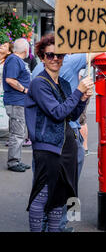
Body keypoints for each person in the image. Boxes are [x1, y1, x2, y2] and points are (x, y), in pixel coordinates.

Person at [25, 34, 94, 232]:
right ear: (41, 57)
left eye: (60, 55)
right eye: (50, 55)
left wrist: (81, 100)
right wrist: (78, 91)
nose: (55, 59)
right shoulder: (39, 83)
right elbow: (57, 113)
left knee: (60, 196)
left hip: (67, 147)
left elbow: (70, 115)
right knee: (42, 196)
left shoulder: (63, 84)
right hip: (48, 149)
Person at [3, 38, 31, 172]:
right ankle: (13, 162)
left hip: (18, 102)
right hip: (16, 102)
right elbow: (10, 79)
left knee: (18, 132)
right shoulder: (14, 60)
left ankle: (16, 160)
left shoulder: (14, 60)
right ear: (26, 50)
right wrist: (25, 90)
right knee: (17, 133)